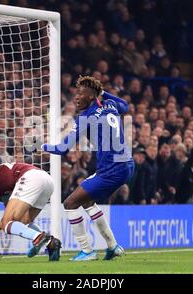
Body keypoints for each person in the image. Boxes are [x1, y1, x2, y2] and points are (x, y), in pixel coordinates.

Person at [41, 76, 134, 261]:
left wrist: (42, 147)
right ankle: (113, 246)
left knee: (69, 203)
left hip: (112, 169)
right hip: (126, 164)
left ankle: (88, 251)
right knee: (87, 201)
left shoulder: (86, 118)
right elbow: (125, 106)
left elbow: (62, 149)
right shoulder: (110, 104)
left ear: (91, 97)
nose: (76, 97)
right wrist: (103, 93)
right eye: (76, 93)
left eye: (81, 94)